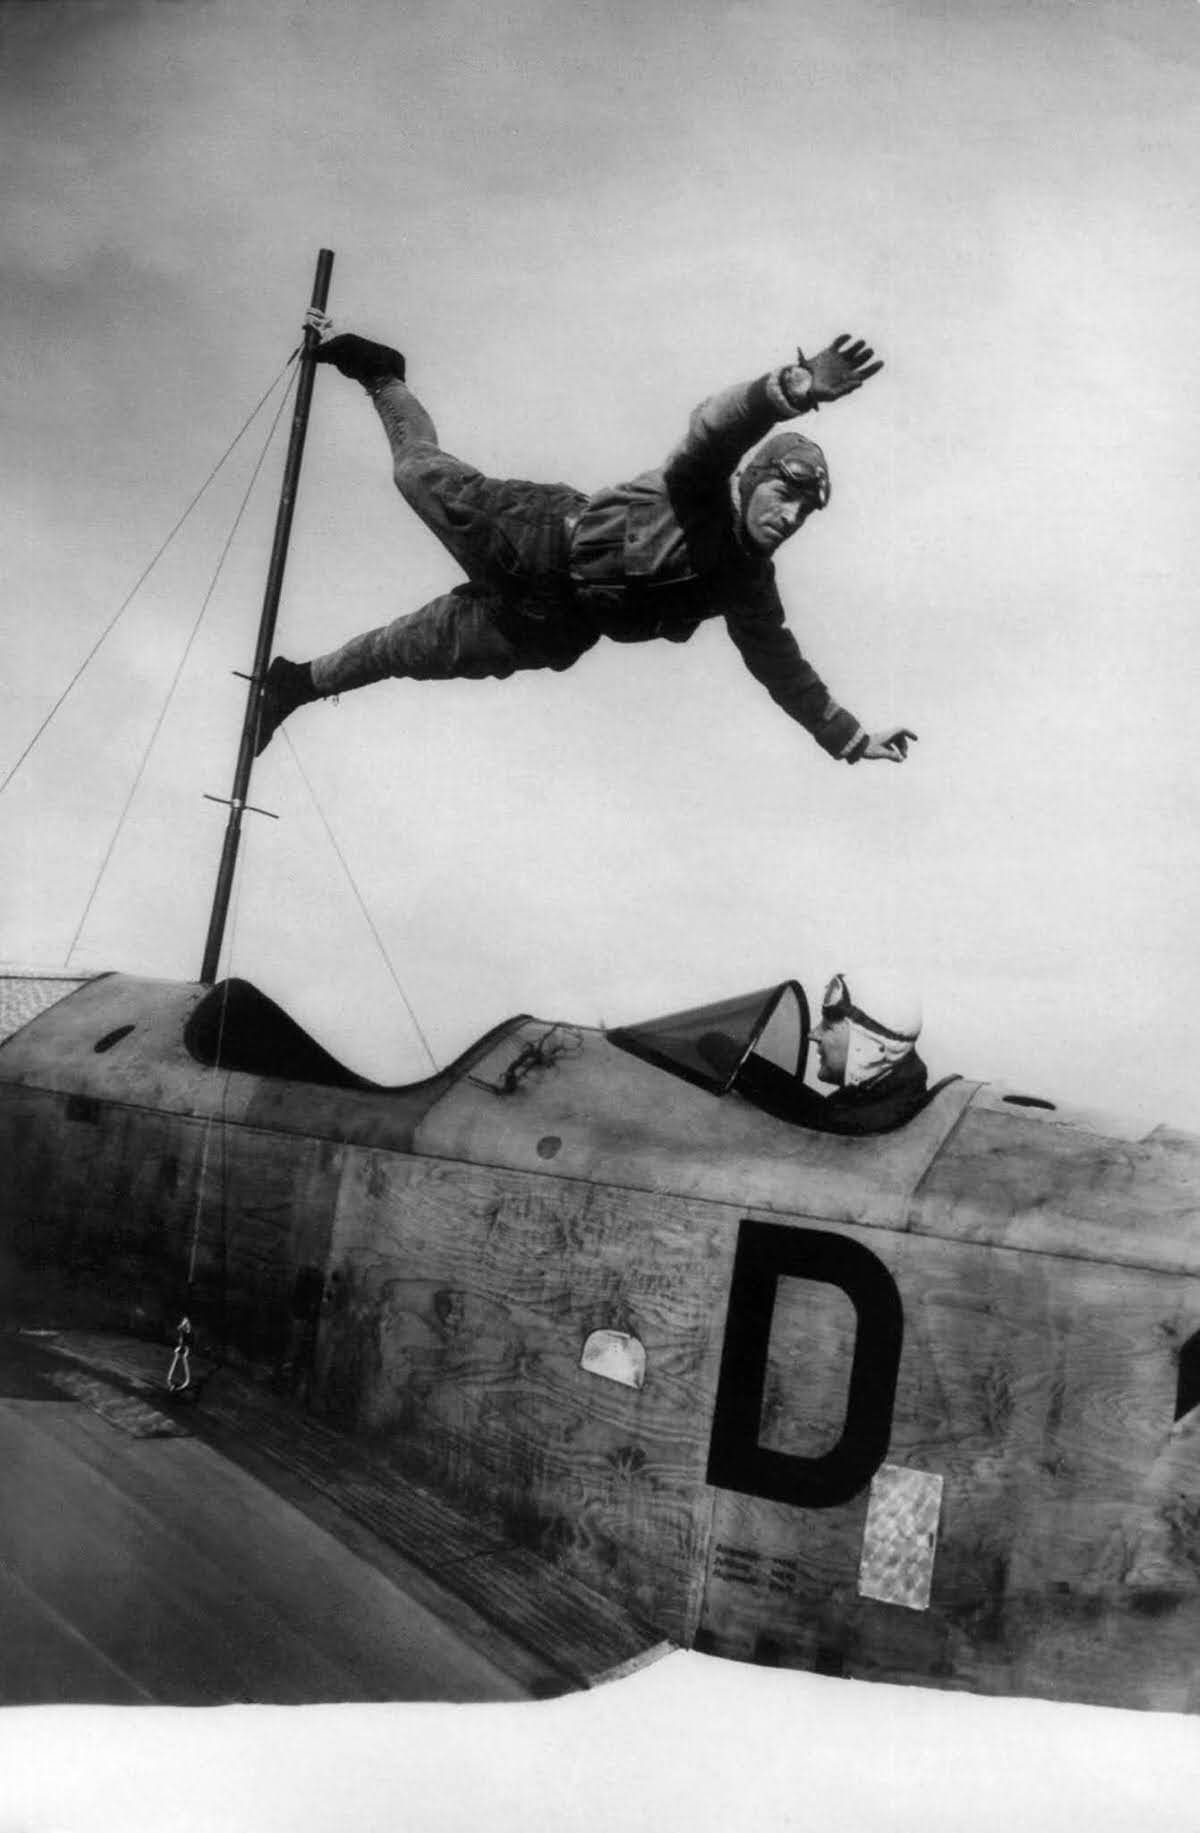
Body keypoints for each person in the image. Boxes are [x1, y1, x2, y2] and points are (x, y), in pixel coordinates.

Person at [255, 318, 918, 765]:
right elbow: (716, 425)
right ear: (756, 479)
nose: (792, 518)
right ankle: (385, 376)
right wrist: (791, 389)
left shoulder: (749, 585)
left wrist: (853, 739)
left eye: (806, 513)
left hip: (550, 625)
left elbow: (783, 668)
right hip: (533, 537)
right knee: (415, 473)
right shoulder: (699, 487)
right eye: (787, 494)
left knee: (405, 649)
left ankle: (295, 684)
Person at [733, 968, 930, 1135]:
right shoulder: (882, 1098)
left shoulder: (853, 1124)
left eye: (828, 1028)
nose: (812, 1034)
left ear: (874, 1050)